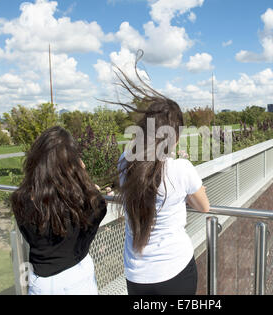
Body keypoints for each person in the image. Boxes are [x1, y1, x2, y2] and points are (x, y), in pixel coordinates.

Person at [112, 55, 210, 295]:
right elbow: (204, 207)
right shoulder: (181, 169)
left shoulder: (125, 162)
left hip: (136, 274)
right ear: (173, 135)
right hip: (175, 269)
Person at [11, 126, 107, 295]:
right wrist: (88, 186)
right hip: (77, 278)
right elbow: (99, 211)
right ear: (72, 164)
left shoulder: (20, 198)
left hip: (41, 282)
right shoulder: (82, 202)